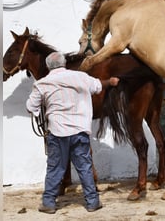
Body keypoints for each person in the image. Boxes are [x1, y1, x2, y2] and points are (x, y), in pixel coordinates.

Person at [26, 52, 119, 214]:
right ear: (64, 64)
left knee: (55, 168)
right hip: (79, 131)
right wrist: (110, 82)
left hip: (57, 132)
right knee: (84, 167)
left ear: (48, 67)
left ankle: (48, 203)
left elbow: (30, 107)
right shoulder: (81, 77)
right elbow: (98, 86)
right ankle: (92, 202)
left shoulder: (42, 84)